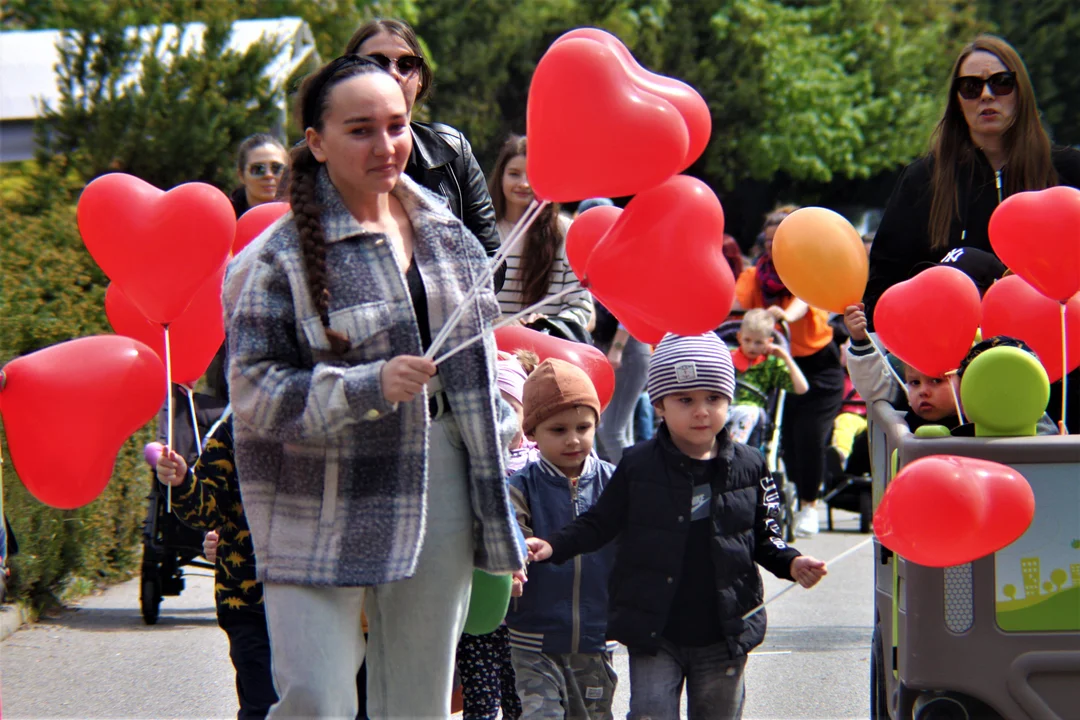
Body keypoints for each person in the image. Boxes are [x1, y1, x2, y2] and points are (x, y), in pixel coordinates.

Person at [222, 56, 525, 718]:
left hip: (438, 474)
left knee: (418, 700)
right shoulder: (271, 259)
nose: (386, 146)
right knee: (316, 698)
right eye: (360, 129)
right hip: (317, 496)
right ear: (316, 141)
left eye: (397, 125)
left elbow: (484, 364)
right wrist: (368, 386)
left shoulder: (451, 238)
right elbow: (253, 392)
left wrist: (508, 414)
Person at [524, 333, 826, 720]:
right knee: (650, 712)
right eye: (686, 400)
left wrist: (793, 562)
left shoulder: (750, 464)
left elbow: (766, 538)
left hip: (725, 629)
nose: (701, 411)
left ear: (728, 401)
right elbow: (599, 523)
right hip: (655, 629)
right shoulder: (637, 465)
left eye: (713, 399)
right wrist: (552, 546)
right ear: (659, 405)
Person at [863, 35, 1080, 431]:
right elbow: (883, 286)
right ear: (956, 100)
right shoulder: (924, 180)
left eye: (1001, 83)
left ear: (1021, 92)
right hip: (952, 397)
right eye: (971, 86)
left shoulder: (1070, 172)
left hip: (1066, 388)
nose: (986, 96)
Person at [505, 359, 618, 719]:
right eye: (558, 429)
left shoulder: (615, 483)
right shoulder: (520, 486)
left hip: (596, 637)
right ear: (532, 432)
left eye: (583, 427)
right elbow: (512, 541)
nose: (573, 439)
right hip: (533, 637)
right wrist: (510, 569)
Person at [345, 19, 500, 279]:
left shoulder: (453, 149)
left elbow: (491, 257)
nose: (394, 73)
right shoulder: (319, 153)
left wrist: (443, 298)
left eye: (407, 64)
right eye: (376, 62)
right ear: (346, 73)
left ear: (420, 80)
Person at [155, 415, 278, 719]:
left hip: (326, 601)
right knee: (261, 708)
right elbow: (207, 508)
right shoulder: (236, 427)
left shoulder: (334, 420)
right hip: (249, 602)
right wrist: (183, 482)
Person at [734, 206, 844, 536]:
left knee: (808, 434)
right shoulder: (755, 276)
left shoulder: (810, 273)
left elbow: (801, 303)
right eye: (767, 240)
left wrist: (779, 317)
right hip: (770, 362)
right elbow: (736, 301)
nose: (771, 247)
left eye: (778, 240)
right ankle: (786, 491)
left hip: (816, 366)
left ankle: (810, 503)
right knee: (781, 437)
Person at [455, 352, 537, 720]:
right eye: (490, 407)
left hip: (526, 612)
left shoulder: (539, 463)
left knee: (522, 699)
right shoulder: (468, 462)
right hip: (480, 605)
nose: (497, 419)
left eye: (508, 406)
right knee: (480, 704)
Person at [490, 135, 594, 342]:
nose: (523, 184)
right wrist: (497, 322)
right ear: (500, 176)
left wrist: (549, 324)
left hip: (547, 350)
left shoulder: (565, 231)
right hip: (493, 351)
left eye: (532, 176)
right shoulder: (481, 230)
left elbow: (582, 308)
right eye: (514, 174)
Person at [726, 308, 809, 445]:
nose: (752, 347)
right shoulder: (727, 356)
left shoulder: (772, 364)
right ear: (739, 337)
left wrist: (786, 358)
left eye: (758, 342)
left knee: (748, 412)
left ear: (769, 342)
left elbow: (802, 388)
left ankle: (734, 451)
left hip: (751, 410)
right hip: (725, 406)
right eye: (747, 340)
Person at [230, 134, 289, 218]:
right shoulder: (227, 217)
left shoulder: (302, 214)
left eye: (276, 168)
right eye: (258, 169)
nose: (268, 175)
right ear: (241, 175)